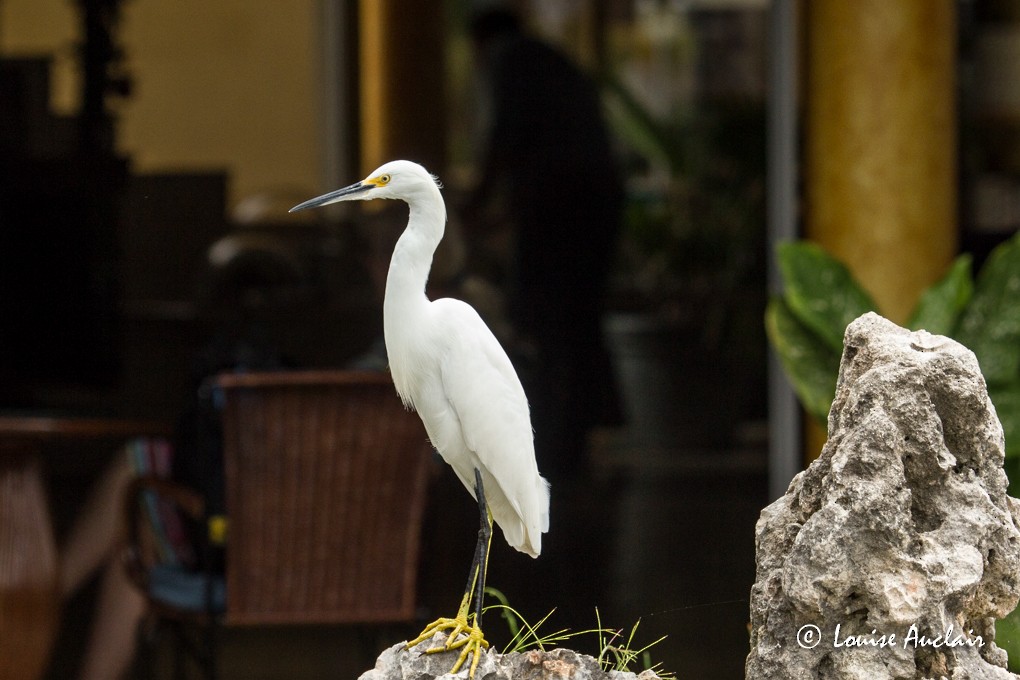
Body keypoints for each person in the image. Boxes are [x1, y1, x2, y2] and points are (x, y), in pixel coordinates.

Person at [461, 6, 624, 482]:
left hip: (562, 208)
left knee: (548, 324)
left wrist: (477, 203)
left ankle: (556, 445)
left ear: (480, 43)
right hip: (592, 202)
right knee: (578, 320)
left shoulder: (511, 62)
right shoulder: (547, 59)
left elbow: (505, 138)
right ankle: (577, 439)